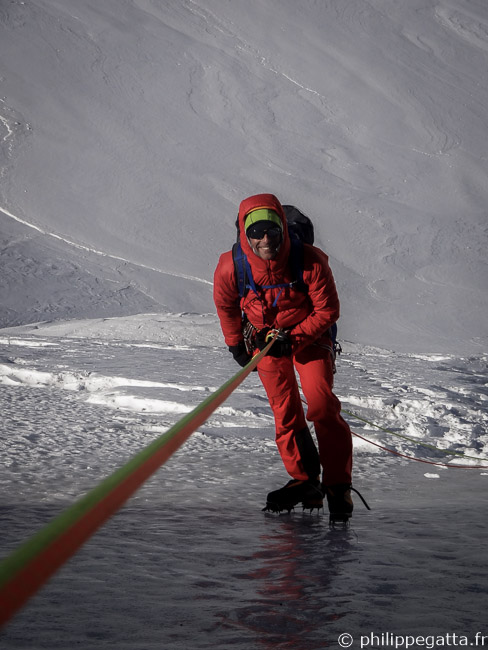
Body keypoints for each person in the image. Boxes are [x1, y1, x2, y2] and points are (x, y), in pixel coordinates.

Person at [213, 193, 354, 518]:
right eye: (257, 232)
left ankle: (338, 487)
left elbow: (328, 310)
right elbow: (226, 306)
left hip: (310, 338)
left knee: (320, 405)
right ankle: (306, 481)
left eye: (272, 230)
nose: (265, 239)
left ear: (283, 230)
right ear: (245, 235)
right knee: (285, 410)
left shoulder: (311, 260)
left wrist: (295, 340)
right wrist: (237, 345)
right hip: (264, 342)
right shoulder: (230, 267)